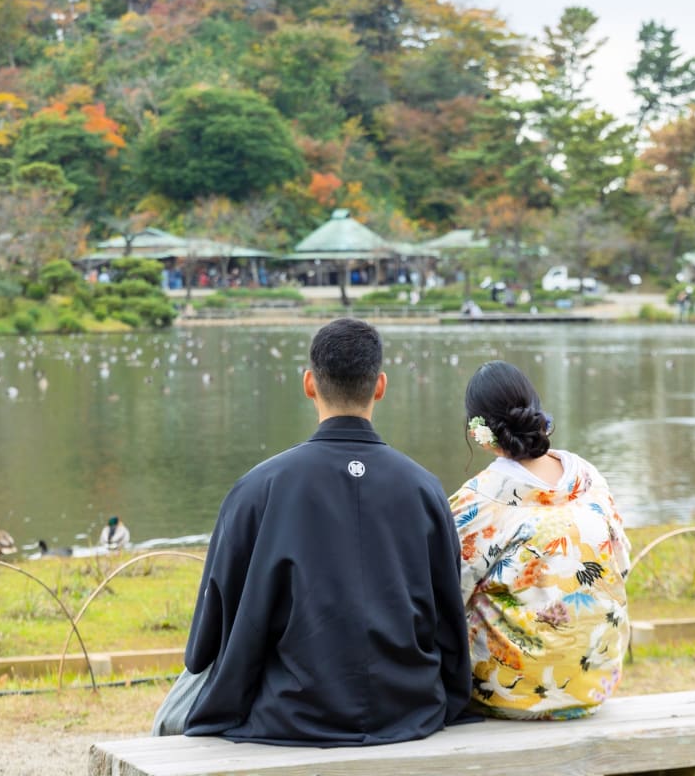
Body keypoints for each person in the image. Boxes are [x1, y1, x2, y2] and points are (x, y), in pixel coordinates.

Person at [153, 317, 472, 745]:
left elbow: (203, 645)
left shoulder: (258, 488)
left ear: (308, 384)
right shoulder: (424, 490)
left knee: (172, 712)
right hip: (409, 710)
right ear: (380, 386)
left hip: (289, 714)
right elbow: (450, 624)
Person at [449, 361, 630, 723]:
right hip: (594, 679)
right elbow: (621, 563)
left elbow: (445, 593)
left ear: (477, 430)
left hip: (509, 691)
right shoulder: (588, 478)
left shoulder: (479, 501)